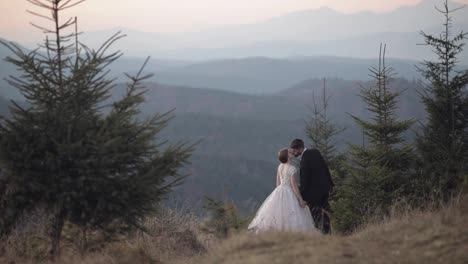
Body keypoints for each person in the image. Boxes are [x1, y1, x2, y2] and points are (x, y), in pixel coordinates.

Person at [248, 148, 317, 234]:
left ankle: (279, 232)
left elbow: (278, 182)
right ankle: (291, 233)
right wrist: (300, 199)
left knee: (279, 212)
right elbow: (294, 185)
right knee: (292, 212)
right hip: (288, 191)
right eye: (289, 152)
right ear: (287, 155)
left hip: (279, 190)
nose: (291, 152)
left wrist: (278, 193)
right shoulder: (292, 168)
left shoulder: (280, 166)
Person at [290, 138, 334, 234]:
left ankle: (324, 235)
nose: (293, 153)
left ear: (299, 148)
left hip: (314, 193)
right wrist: (331, 184)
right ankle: (328, 233)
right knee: (325, 212)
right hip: (325, 188)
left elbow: (304, 180)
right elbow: (325, 168)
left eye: (294, 150)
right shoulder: (315, 152)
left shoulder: (304, 160)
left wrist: (302, 196)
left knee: (316, 214)